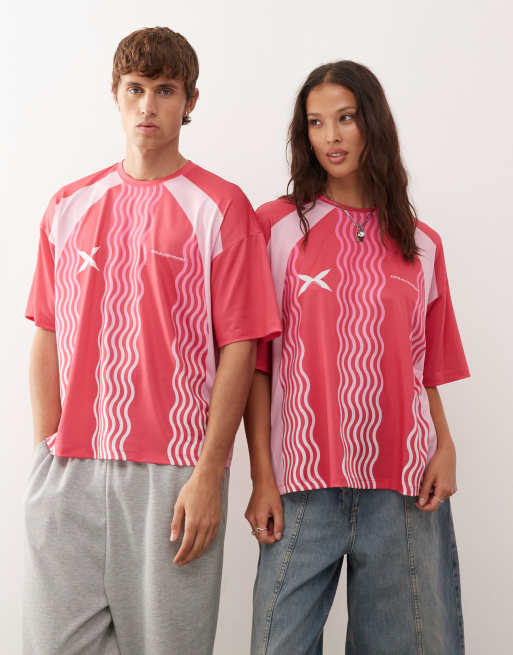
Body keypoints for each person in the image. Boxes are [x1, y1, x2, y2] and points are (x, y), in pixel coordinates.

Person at [23, 26, 280, 655]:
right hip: (69, 474)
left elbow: (241, 347)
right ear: (115, 94)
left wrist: (209, 473)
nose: (148, 105)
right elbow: (47, 331)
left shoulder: (221, 207)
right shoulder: (68, 206)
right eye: (136, 88)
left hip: (174, 477)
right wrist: (46, 451)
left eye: (165, 90)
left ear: (190, 101)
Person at [244, 60, 469, 655]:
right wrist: (262, 477)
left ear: (373, 123)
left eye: (345, 118)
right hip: (301, 481)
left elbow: (424, 366)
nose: (332, 136)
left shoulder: (421, 244)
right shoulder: (277, 228)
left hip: (404, 482)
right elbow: (257, 364)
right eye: (316, 123)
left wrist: (445, 445)